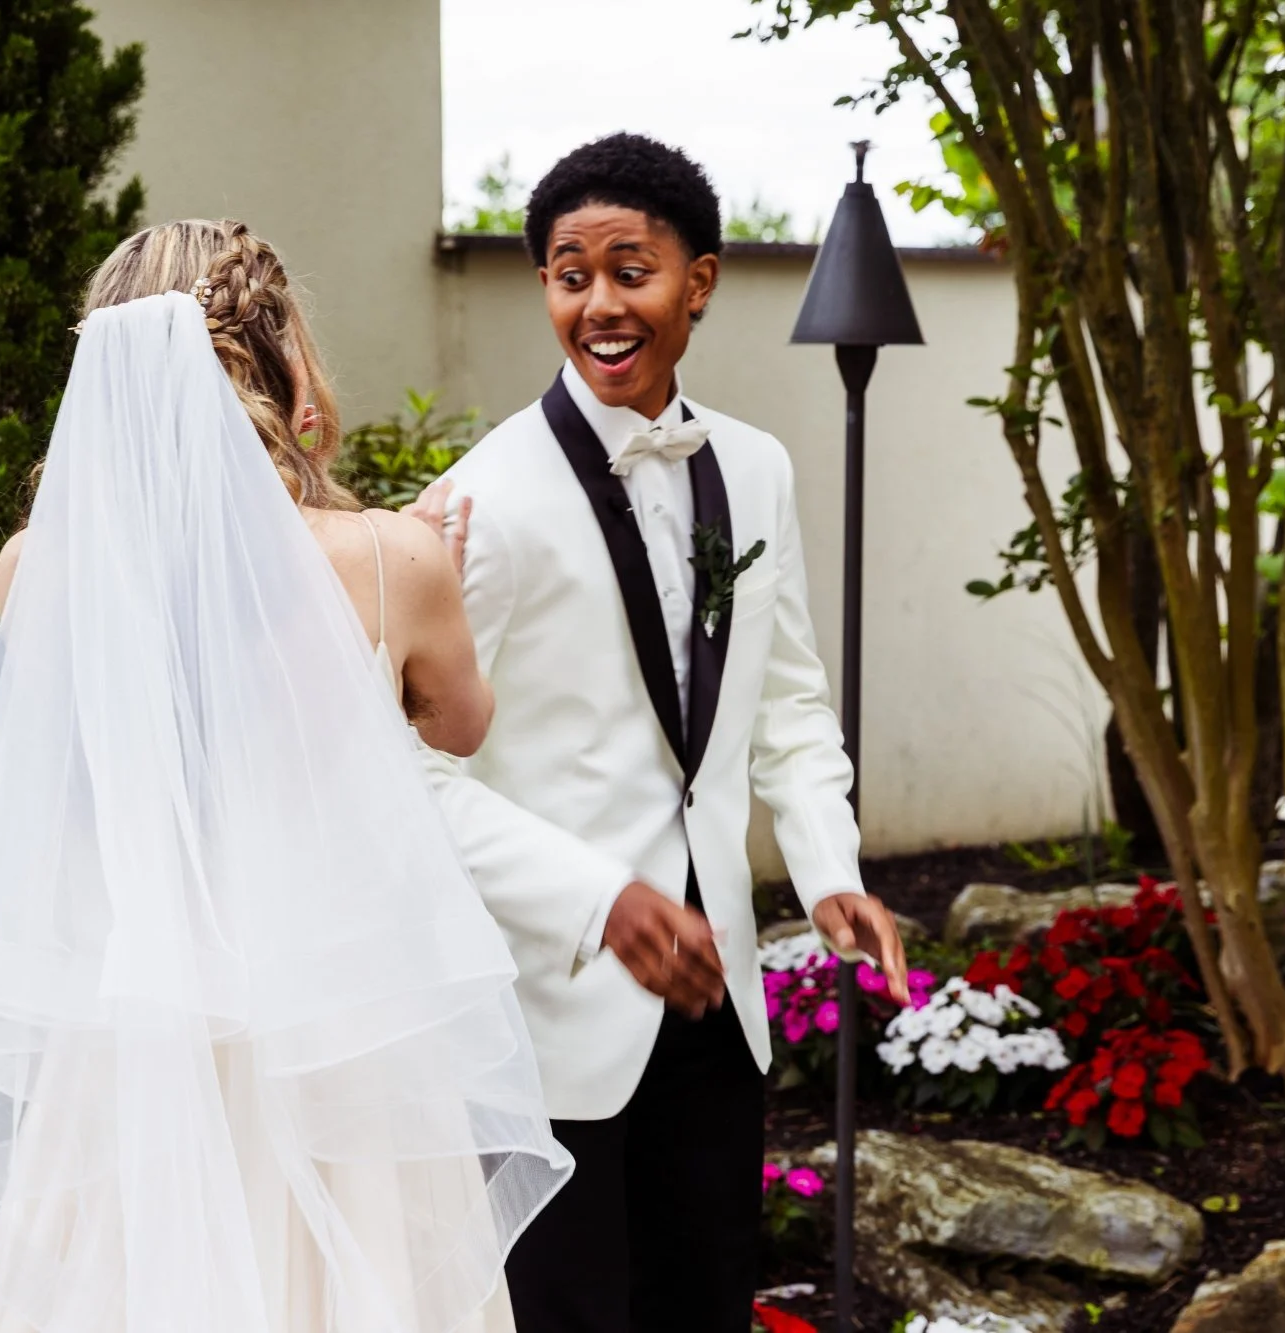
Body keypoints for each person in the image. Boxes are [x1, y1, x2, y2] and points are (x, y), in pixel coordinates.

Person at [0, 220, 571, 1333]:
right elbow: (458, 725)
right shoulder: (392, 560)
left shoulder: (37, 567)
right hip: (333, 1030)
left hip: (131, 1034)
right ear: (275, 366)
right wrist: (415, 572)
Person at [404, 134, 911, 1333]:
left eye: (629, 269)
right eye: (568, 273)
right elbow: (409, 775)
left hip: (713, 1003)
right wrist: (599, 899)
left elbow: (785, 702)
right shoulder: (477, 503)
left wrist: (828, 868)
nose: (598, 303)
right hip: (546, 1012)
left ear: (699, 281)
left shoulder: (759, 469)